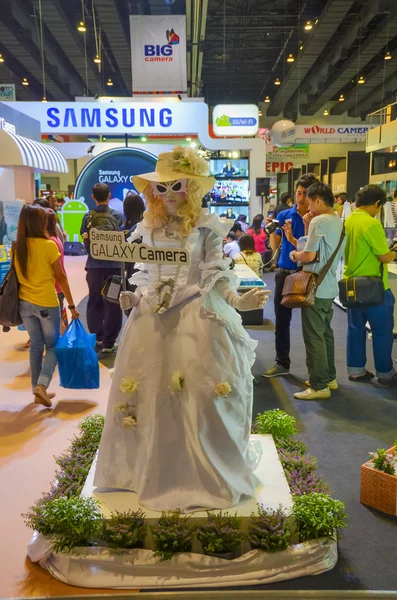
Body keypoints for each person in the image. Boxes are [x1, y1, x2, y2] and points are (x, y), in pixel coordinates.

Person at [93, 146, 270, 511]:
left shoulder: (206, 229)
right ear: (151, 192)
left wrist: (237, 301)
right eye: (163, 188)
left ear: (192, 188)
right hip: (150, 323)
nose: (170, 194)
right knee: (148, 395)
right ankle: (142, 472)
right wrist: (134, 296)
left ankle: (198, 474)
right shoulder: (148, 227)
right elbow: (143, 272)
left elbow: (216, 274)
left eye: (178, 186)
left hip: (194, 319)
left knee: (200, 399)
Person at [14, 204, 79, 407]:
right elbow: (61, 278)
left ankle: (36, 389)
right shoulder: (49, 245)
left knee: (35, 346)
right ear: (38, 222)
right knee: (53, 347)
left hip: (25, 302)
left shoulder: (17, 245)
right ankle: (42, 386)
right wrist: (71, 305)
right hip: (46, 303)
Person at [288, 183, 346, 400]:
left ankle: (319, 385)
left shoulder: (319, 221)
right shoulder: (338, 221)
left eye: (310, 202)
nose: (308, 207)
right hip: (329, 286)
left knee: (314, 337)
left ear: (319, 201)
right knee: (325, 333)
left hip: (315, 287)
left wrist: (294, 255)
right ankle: (328, 377)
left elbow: (308, 255)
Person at [263, 173, 318, 378]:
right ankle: (282, 363)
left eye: (304, 194)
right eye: (298, 193)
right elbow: (274, 239)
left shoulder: (316, 220)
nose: (300, 198)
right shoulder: (285, 214)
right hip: (284, 274)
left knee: (312, 325)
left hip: (307, 274)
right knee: (281, 321)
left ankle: (316, 371)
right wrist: (276, 253)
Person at [343, 185, 397, 386]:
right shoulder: (371, 224)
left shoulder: (348, 221)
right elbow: (384, 256)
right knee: (382, 332)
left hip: (351, 285)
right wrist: (395, 253)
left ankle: (356, 371)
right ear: (376, 203)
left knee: (355, 329)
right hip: (375, 288)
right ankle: (385, 373)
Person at [80, 183, 124, 354]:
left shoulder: (87, 217)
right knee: (112, 302)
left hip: (94, 267)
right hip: (113, 268)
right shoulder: (118, 216)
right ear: (109, 195)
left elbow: (85, 239)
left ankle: (97, 337)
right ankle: (109, 342)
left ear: (93, 197)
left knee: (94, 301)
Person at [46, 208, 68, 332]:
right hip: (58, 287)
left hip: (54, 287)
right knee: (58, 320)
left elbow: (58, 273)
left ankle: (62, 347)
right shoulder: (56, 238)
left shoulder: (50, 242)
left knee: (56, 324)